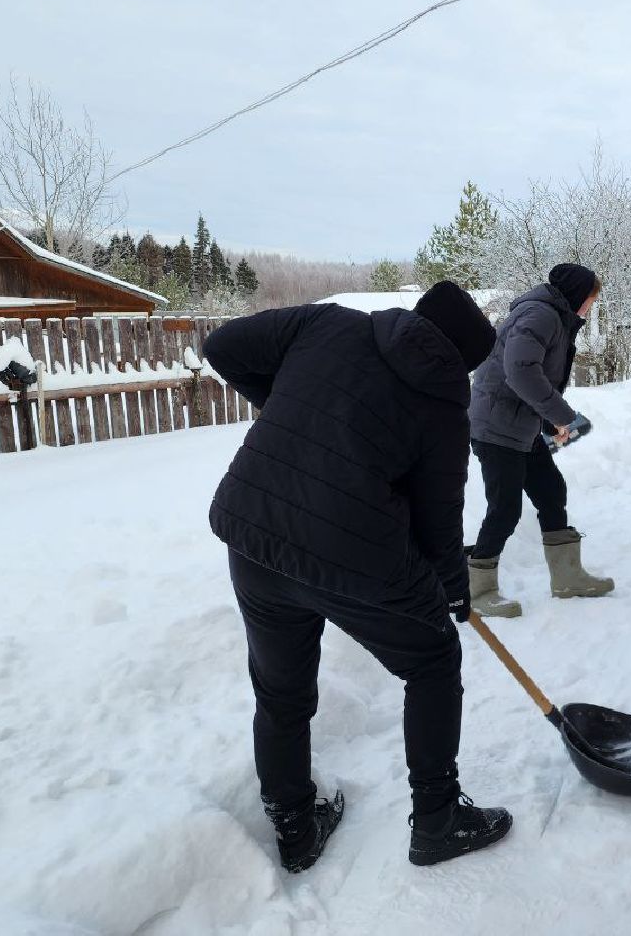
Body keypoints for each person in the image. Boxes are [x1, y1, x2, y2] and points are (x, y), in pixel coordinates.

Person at [204, 282, 512, 874]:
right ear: (465, 361)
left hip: (254, 533)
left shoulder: (329, 325)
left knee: (281, 691)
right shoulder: (446, 405)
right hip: (349, 552)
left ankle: (294, 826)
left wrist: (290, 413)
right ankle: (439, 821)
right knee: (432, 662)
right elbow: (439, 518)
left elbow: (223, 346)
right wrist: (451, 589)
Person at [467, 263, 613, 618]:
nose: (589, 307)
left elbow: (531, 374)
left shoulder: (551, 315)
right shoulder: (541, 314)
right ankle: (476, 590)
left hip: (520, 426)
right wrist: (561, 416)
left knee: (550, 491)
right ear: (578, 295)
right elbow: (519, 371)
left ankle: (567, 577)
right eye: (590, 300)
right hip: (497, 428)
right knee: (504, 510)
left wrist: (548, 421)